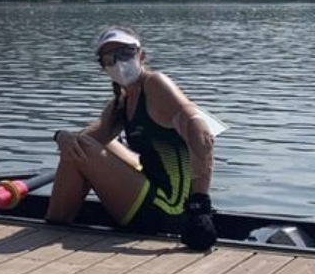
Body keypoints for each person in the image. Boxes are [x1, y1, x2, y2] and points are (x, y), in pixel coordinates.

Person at [46, 26, 217, 250]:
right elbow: (86, 140)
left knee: (82, 148)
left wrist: (200, 204)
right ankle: (58, 219)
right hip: (153, 192)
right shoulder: (122, 101)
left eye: (125, 53)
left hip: (170, 207)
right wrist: (60, 137)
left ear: (141, 55)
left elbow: (201, 132)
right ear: (103, 67)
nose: (118, 62)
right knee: (79, 145)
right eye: (109, 58)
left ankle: (52, 224)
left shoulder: (156, 83)